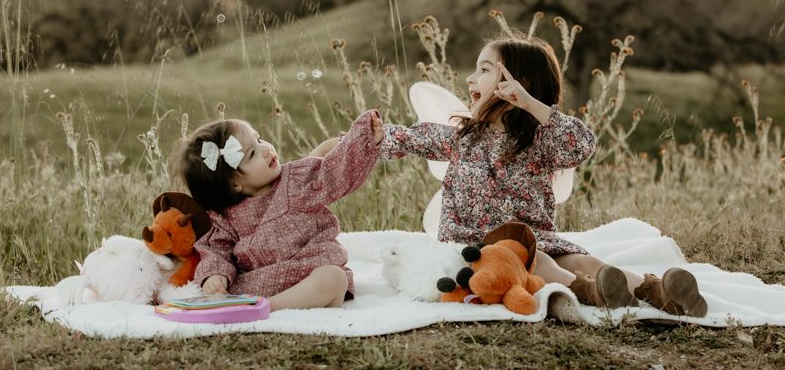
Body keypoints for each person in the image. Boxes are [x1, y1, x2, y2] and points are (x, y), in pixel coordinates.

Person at [381, 35, 707, 317]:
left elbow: (582, 144)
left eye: (483, 70)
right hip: (478, 246)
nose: (469, 78)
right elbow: (409, 138)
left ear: (516, 82)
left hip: (536, 238)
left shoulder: (540, 140)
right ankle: (592, 294)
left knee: (584, 259)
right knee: (546, 266)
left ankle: (659, 292)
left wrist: (530, 103)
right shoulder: (461, 139)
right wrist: (371, 136)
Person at [175, 110, 384, 311]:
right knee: (231, 289)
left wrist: (363, 136)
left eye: (260, 139)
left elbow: (335, 172)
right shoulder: (225, 218)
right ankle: (256, 305)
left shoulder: (295, 180)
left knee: (334, 278)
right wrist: (215, 276)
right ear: (234, 184)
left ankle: (268, 308)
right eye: (252, 153)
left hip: (311, 270)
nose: (266, 149)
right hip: (264, 281)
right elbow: (216, 250)